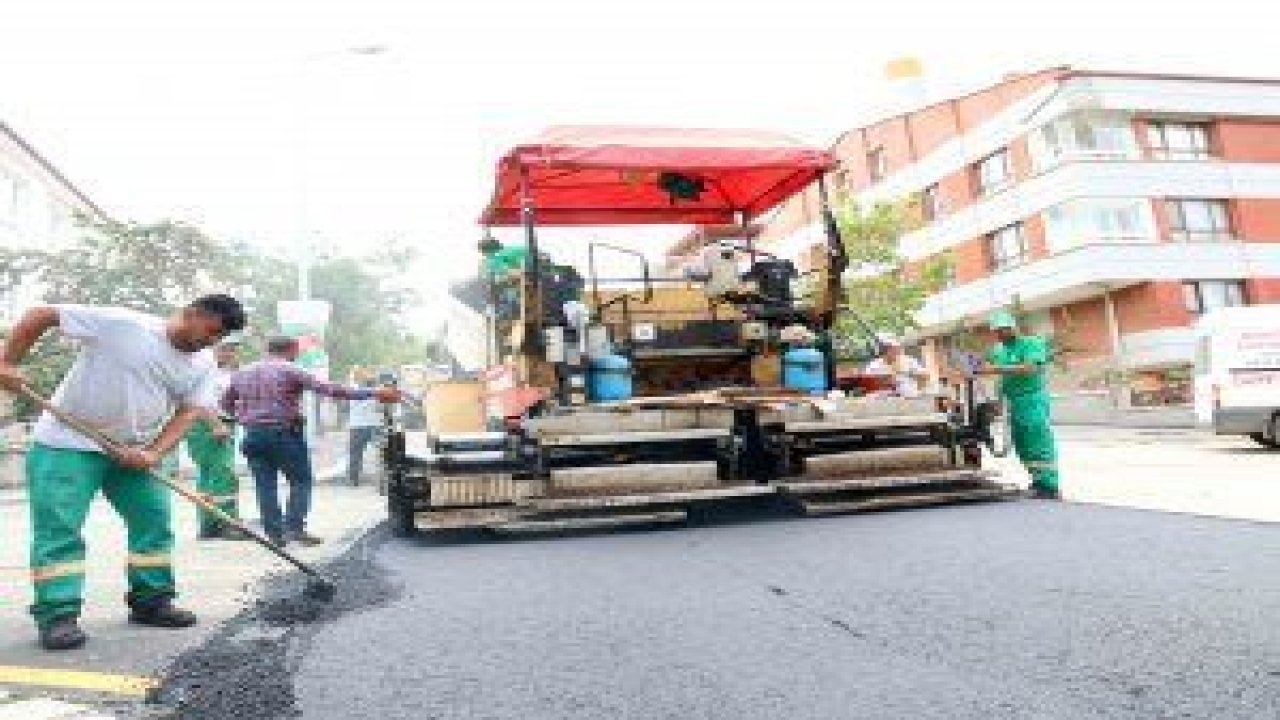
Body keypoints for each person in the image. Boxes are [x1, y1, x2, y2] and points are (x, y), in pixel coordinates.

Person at [0, 295, 247, 651]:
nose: (211, 342)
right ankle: (58, 615)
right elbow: (42, 314)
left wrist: (153, 453)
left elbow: (188, 413)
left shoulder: (203, 363)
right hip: (67, 443)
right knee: (60, 528)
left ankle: (152, 600)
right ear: (191, 314)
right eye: (211, 331)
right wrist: (8, 362)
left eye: (218, 338)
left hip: (133, 451)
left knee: (154, 520)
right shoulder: (123, 325)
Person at [222, 337, 400, 548]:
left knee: (265, 485)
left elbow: (225, 403)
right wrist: (375, 392)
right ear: (293, 350)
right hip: (284, 434)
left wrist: (245, 418)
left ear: (267, 350)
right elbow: (331, 389)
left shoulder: (243, 373)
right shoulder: (290, 370)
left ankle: (275, 535)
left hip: (253, 436)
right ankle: (294, 529)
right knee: (300, 481)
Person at [973, 310, 1061, 500]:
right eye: (997, 331)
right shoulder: (999, 350)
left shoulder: (1032, 343)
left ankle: (1050, 485)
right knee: (1022, 443)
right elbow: (1000, 379)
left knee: (1038, 441)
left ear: (1013, 327)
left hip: (1032, 399)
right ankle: (1037, 482)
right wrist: (996, 399)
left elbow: (1031, 368)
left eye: (1004, 330)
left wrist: (996, 369)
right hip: (1013, 401)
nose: (1001, 334)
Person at [186, 338, 243, 540]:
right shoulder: (202, 370)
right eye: (224, 349)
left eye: (233, 349)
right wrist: (216, 425)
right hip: (208, 426)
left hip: (221, 424)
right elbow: (197, 402)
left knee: (208, 476)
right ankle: (227, 524)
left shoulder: (227, 372)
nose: (229, 353)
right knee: (223, 474)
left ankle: (208, 525)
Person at [345, 372, 383, 486]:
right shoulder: (376, 394)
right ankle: (381, 480)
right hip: (374, 426)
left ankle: (353, 480)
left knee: (355, 454)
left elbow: (349, 382)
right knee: (381, 453)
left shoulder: (353, 392)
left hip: (356, 427)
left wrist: (353, 373)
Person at [863, 334, 930, 398]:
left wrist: (919, 389)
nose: (894, 351)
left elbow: (925, 376)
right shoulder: (873, 366)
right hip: (884, 401)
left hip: (910, 399)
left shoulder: (909, 361)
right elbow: (867, 387)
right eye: (887, 349)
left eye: (895, 348)